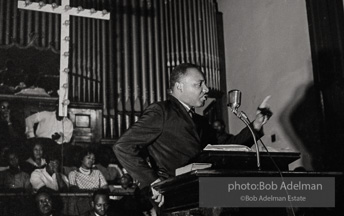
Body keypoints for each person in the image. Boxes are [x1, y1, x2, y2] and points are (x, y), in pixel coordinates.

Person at [113, 63, 271, 207]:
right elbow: (123, 146)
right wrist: (153, 182)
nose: (206, 89)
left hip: (202, 193)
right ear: (179, 87)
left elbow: (230, 146)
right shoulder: (161, 112)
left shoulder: (200, 121)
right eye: (199, 84)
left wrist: (256, 124)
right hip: (174, 195)